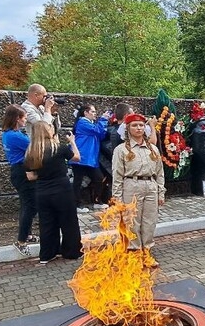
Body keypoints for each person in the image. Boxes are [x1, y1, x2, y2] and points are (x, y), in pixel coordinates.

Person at [24, 121, 83, 264]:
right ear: (48, 131)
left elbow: (30, 176)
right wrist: (72, 142)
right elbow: (76, 158)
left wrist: (45, 176)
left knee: (47, 223)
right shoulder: (59, 148)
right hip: (62, 189)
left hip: (42, 191)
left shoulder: (30, 152)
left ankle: (47, 254)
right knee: (68, 221)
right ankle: (72, 252)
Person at [112, 113, 166, 260]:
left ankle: (147, 250)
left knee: (150, 221)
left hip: (150, 186)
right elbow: (117, 175)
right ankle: (134, 252)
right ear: (128, 128)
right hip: (131, 185)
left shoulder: (153, 149)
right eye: (134, 125)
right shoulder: (121, 150)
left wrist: (161, 192)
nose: (138, 128)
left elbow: (160, 172)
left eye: (141, 125)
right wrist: (117, 198)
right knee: (132, 221)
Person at [1, 104, 38, 256]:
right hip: (22, 171)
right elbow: (36, 148)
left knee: (26, 204)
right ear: (17, 119)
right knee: (31, 206)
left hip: (18, 171)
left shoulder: (8, 133)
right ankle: (21, 240)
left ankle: (27, 234)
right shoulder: (15, 136)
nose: (26, 120)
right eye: (24, 117)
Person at [71, 104, 109, 212]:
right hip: (80, 157)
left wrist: (102, 122)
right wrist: (103, 119)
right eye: (92, 111)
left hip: (90, 158)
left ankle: (97, 201)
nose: (95, 113)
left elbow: (101, 134)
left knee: (99, 178)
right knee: (78, 181)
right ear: (85, 113)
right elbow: (98, 130)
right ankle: (76, 205)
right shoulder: (82, 122)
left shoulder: (91, 123)